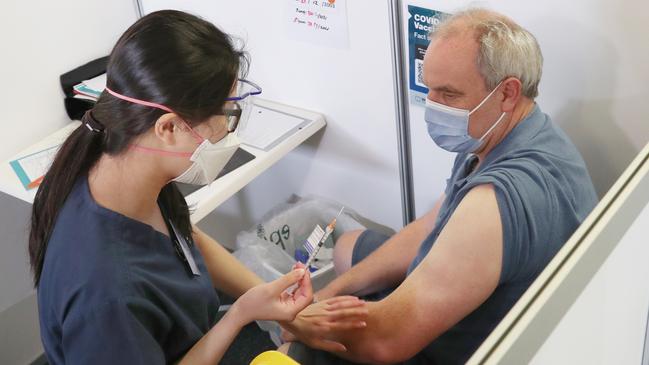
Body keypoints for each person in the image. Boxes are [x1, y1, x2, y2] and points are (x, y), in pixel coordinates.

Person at [30, 10, 366, 364]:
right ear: (169, 127)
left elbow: (185, 239)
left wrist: (275, 304)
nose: (228, 128)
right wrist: (241, 314)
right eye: (224, 113)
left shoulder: (124, 168)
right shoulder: (106, 297)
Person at [281, 8, 599, 364]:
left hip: (464, 348)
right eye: (429, 88)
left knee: (294, 351)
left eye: (448, 94)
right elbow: (431, 226)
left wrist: (300, 321)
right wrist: (331, 294)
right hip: (468, 280)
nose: (433, 106)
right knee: (347, 247)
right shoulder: (511, 134)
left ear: (507, 93)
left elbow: (385, 342)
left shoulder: (493, 202)